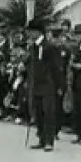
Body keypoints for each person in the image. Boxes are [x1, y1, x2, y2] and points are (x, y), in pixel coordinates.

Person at [26, 19, 62, 152]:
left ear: (37, 32)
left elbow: (56, 67)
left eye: (30, 31)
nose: (29, 34)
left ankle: (49, 141)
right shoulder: (33, 46)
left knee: (48, 113)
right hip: (36, 83)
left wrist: (59, 85)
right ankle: (41, 138)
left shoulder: (49, 46)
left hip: (48, 83)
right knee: (39, 112)